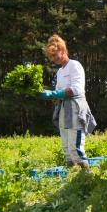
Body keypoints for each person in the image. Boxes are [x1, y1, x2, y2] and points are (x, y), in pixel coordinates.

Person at [41, 34, 96, 167]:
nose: (53, 59)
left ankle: (85, 178)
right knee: (66, 148)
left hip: (75, 107)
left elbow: (76, 89)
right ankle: (72, 178)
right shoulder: (60, 72)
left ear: (62, 50)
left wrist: (54, 93)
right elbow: (59, 92)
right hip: (63, 109)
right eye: (51, 57)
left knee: (75, 148)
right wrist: (47, 93)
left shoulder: (74, 65)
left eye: (55, 55)